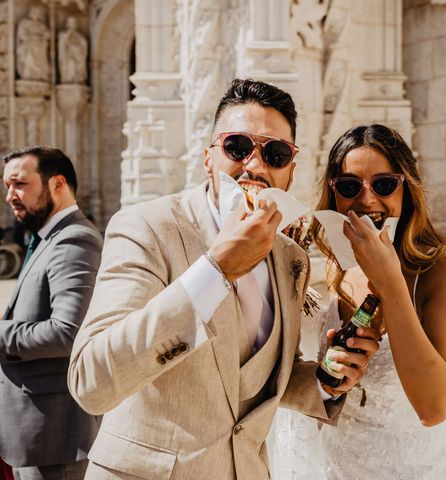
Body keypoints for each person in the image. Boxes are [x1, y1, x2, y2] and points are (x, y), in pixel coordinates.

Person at [67, 79, 380, 479]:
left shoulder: (291, 259)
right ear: (208, 157)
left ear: (290, 172)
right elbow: (92, 381)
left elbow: (247, 382)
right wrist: (215, 271)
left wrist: (325, 381)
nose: (254, 164)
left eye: (276, 153)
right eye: (237, 146)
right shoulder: (146, 227)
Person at [270, 124, 446, 479]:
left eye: (383, 185)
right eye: (350, 187)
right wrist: (330, 372)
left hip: (412, 467)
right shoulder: (332, 266)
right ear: (334, 195)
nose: (367, 200)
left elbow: (434, 408)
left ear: (406, 190)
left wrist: (390, 282)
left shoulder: (441, 272)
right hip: (333, 465)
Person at [0, 146, 102, 480]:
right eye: (7, 187)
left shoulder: (74, 240)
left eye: (19, 184)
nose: (10, 196)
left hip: (56, 437)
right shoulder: (47, 239)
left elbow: (68, 332)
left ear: (58, 185)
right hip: (36, 434)